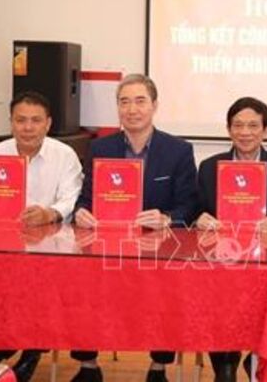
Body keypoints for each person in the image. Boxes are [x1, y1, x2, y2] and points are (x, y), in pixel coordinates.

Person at [71, 74, 198, 382]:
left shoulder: (178, 150)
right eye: (124, 102)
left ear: (154, 105)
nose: (132, 109)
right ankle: (88, 365)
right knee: (80, 278)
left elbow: (189, 206)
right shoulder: (100, 148)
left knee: (170, 283)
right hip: (108, 247)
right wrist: (80, 213)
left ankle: (159, 366)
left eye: (140, 101)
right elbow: (85, 199)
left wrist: (166, 219)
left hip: (157, 249)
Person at [0, 91, 83, 381]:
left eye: (35, 120)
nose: (28, 127)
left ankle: (31, 349)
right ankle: (2, 343)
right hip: (3, 247)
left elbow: (71, 199)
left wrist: (50, 213)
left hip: (51, 248)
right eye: (20, 120)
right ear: (11, 122)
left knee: (40, 282)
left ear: (48, 123)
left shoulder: (64, 155)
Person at [196, 97, 267, 381]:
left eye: (253, 126)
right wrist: (200, 219)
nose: (245, 132)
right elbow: (196, 212)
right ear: (228, 129)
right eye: (238, 125)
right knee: (214, 295)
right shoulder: (209, 167)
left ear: (266, 130)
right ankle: (225, 364)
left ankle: (257, 355)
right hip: (222, 265)